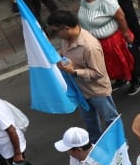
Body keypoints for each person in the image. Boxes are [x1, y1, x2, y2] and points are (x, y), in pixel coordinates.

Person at [49, 9, 118, 139]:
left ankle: (118, 143)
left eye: (56, 31)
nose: (56, 35)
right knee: (90, 122)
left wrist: (74, 71)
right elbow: (65, 52)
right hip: (80, 90)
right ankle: (94, 145)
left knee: (110, 120)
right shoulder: (66, 39)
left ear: (66, 28)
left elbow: (98, 73)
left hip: (97, 91)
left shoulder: (90, 47)